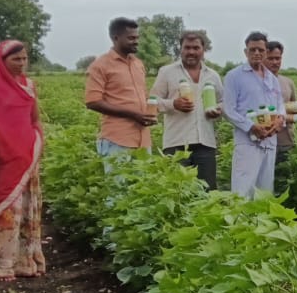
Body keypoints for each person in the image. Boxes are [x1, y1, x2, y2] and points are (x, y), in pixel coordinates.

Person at [0, 40, 46, 281]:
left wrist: (39, 141)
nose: (21, 64)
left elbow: (34, 118)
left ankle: (27, 261)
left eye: (24, 59)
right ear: (2, 61)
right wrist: (9, 150)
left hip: (28, 155)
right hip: (5, 158)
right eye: (15, 59)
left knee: (28, 207)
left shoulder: (29, 85)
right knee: (7, 208)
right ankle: (4, 264)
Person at [150, 31, 224, 190]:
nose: (191, 52)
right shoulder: (167, 72)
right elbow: (152, 101)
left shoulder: (213, 75)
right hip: (176, 143)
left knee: (208, 192)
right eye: (187, 47)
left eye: (196, 48)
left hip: (205, 143)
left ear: (203, 50)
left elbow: (223, 102)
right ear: (180, 49)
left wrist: (217, 110)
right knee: (177, 191)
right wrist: (173, 104)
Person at [223, 33, 283, 198]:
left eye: (260, 50)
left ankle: (261, 223)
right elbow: (228, 109)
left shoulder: (272, 78)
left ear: (265, 52)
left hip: (270, 141)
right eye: (252, 49)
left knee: (264, 192)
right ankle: (240, 223)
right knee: (243, 191)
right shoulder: (234, 76)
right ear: (245, 51)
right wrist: (251, 127)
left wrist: (279, 121)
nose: (257, 53)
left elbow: (280, 106)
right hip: (247, 142)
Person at [85, 17, 155, 157]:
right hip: (117, 140)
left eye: (137, 37)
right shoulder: (100, 65)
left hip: (143, 139)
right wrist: (133, 114)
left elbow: (143, 96)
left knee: (145, 179)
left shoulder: (138, 64)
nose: (136, 41)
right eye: (131, 38)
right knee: (118, 179)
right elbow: (93, 101)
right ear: (116, 38)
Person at [265, 41, 297, 193]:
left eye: (277, 58)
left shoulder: (288, 83)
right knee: (264, 182)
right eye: (270, 58)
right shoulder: (256, 82)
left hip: (285, 140)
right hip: (263, 140)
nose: (274, 62)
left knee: (283, 181)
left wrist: (284, 114)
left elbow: (295, 110)